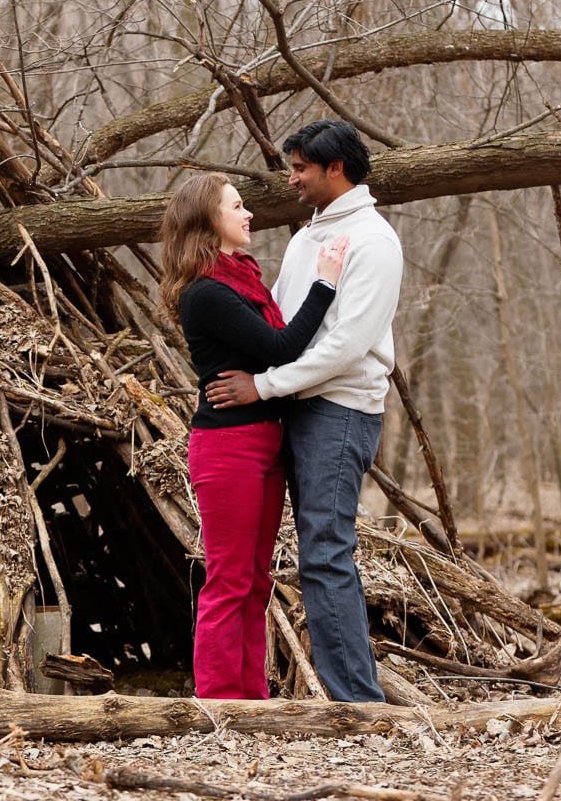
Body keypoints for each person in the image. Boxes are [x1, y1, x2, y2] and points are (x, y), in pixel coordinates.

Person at [204, 119, 402, 703]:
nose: (290, 180)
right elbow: (284, 331)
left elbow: (346, 348)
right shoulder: (306, 238)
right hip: (294, 408)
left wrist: (262, 388)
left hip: (340, 412)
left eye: (299, 169)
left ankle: (357, 705)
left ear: (334, 169)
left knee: (325, 552)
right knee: (293, 557)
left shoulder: (373, 241)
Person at [159, 172, 348, 699]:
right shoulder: (207, 293)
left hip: (267, 438)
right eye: (236, 207)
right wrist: (326, 284)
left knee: (258, 581)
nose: (248, 215)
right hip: (227, 447)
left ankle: (253, 699)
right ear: (208, 220)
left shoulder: (243, 279)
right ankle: (220, 701)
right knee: (230, 579)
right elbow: (282, 347)